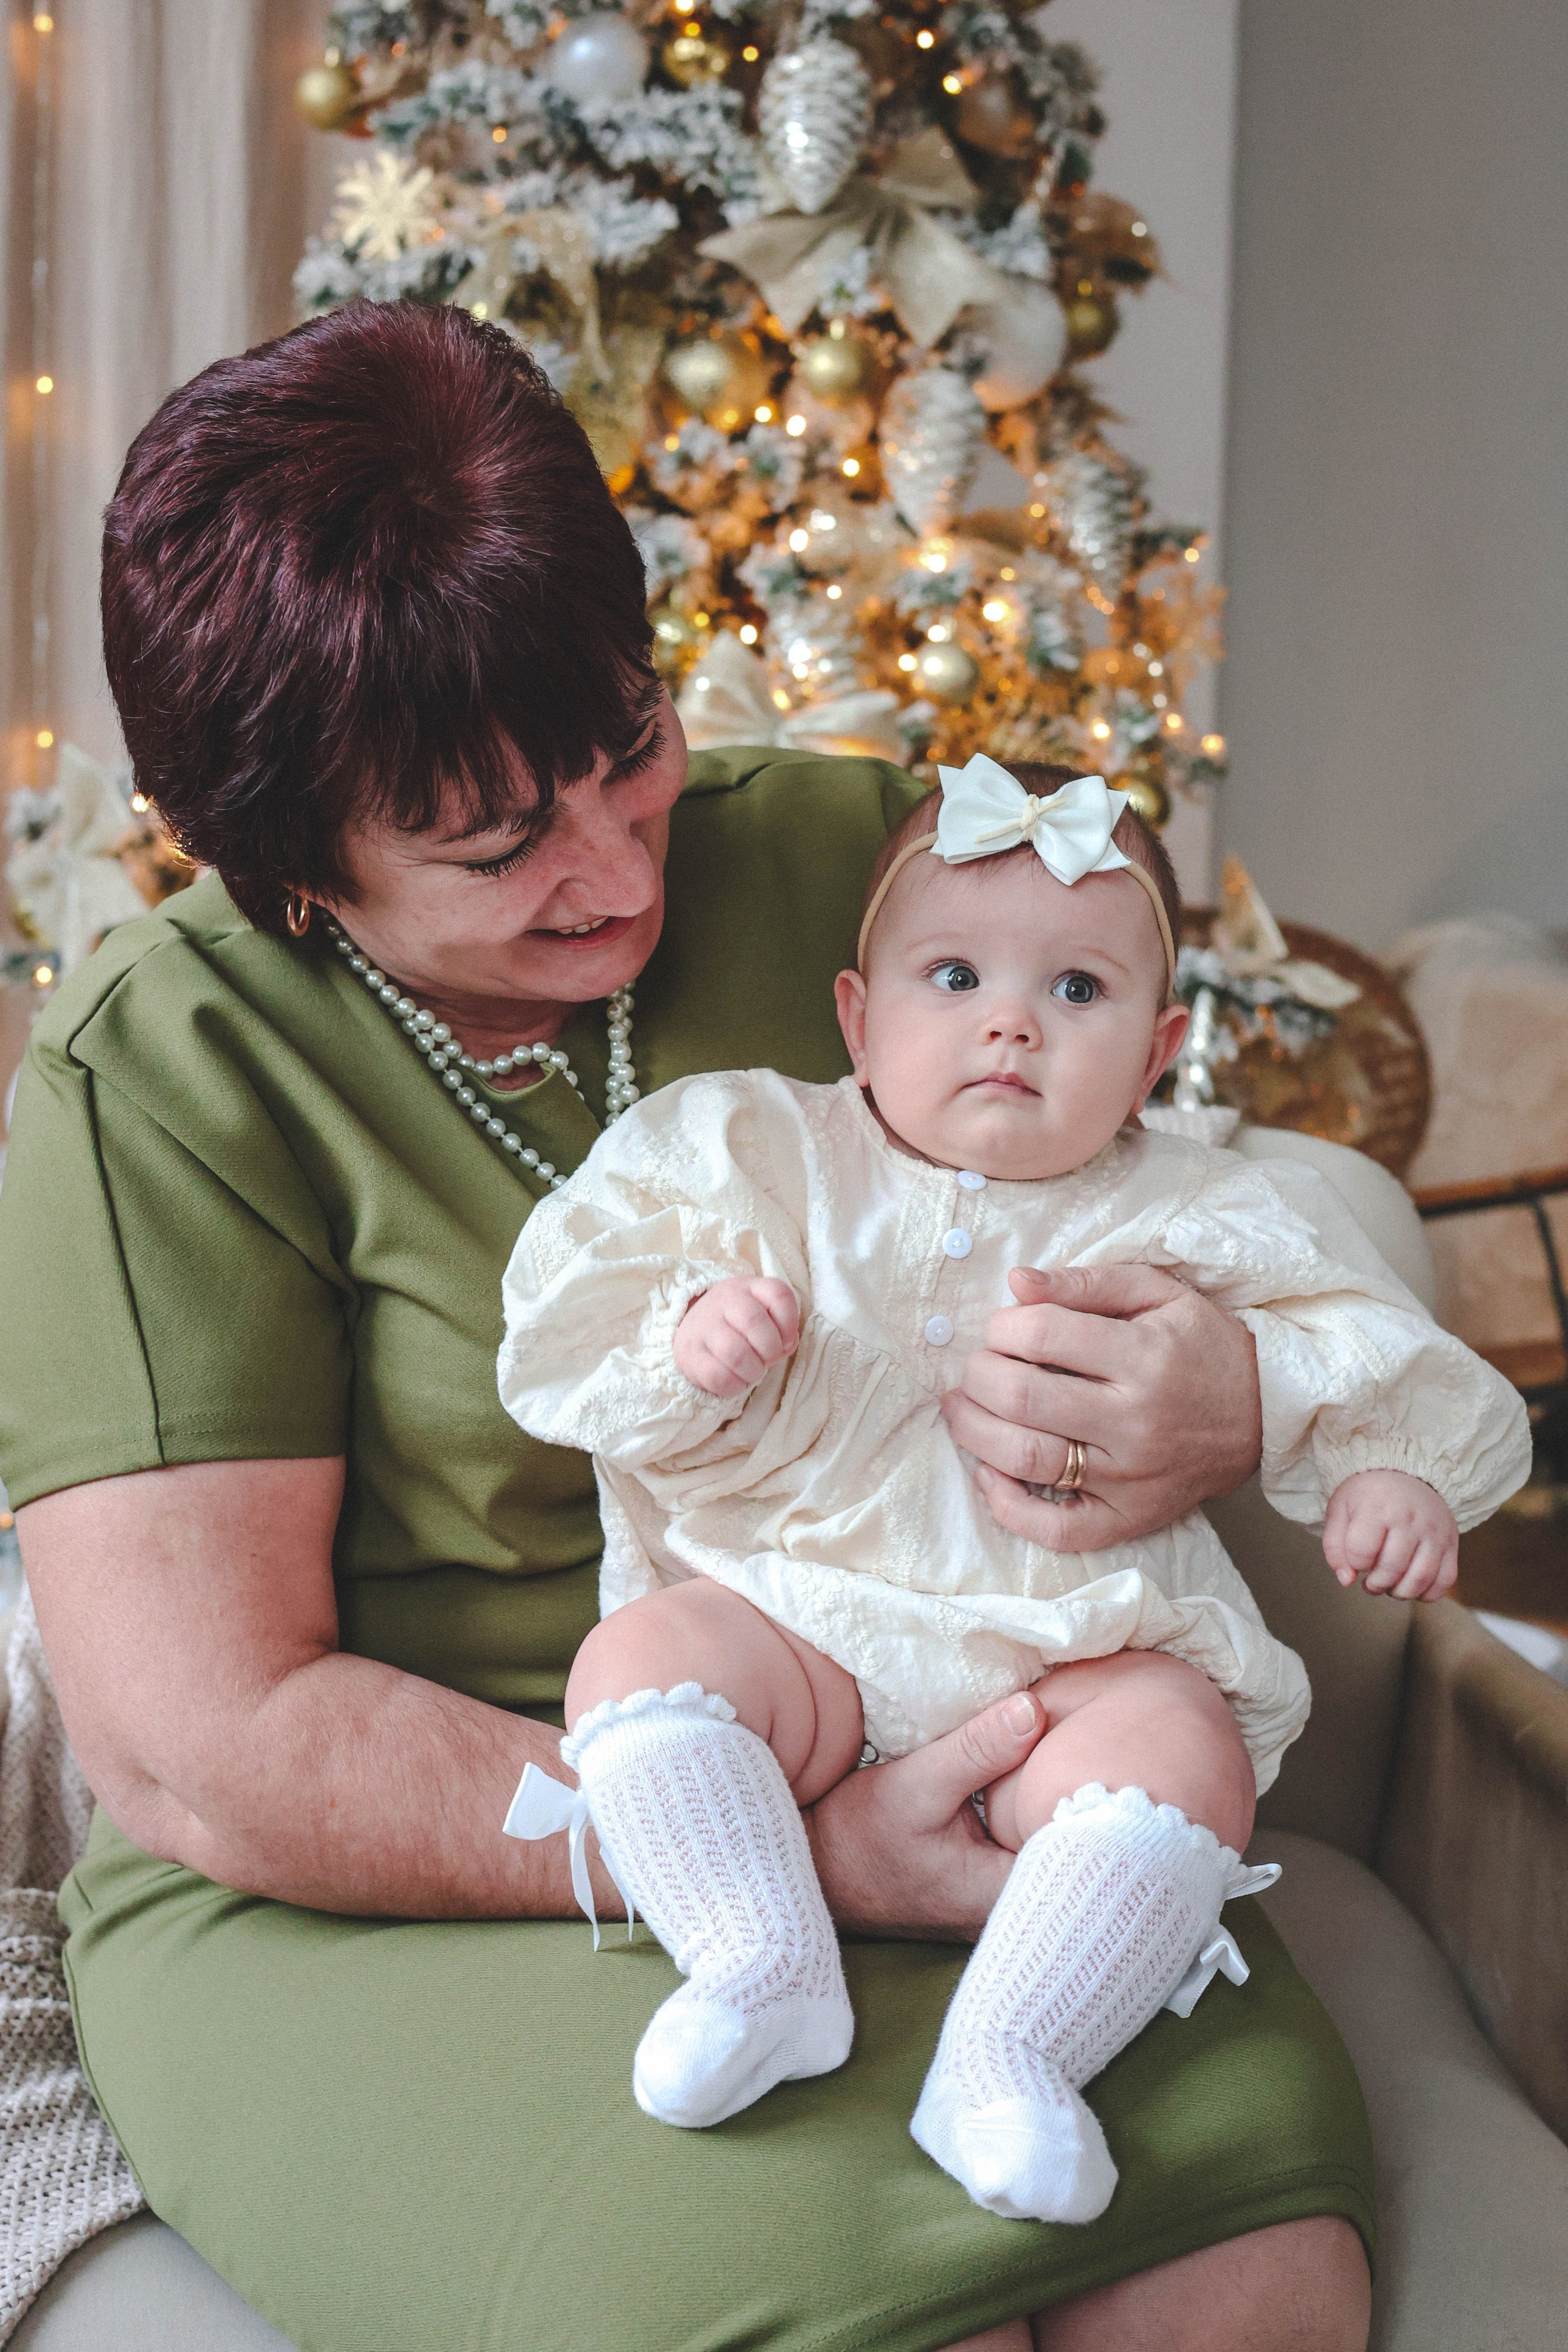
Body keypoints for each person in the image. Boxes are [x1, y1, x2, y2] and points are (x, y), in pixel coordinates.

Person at [0, 301, 1378, 2352]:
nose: (613, 860)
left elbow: (1195, 1205)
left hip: (983, 1768)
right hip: (444, 1876)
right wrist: (777, 1855)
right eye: (496, 845)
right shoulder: (166, 1078)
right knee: (828, 2311)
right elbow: (208, 1753)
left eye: (626, 747)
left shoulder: (873, 871)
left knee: (1253, 2283)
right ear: (298, 877)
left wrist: (1222, 1396)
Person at [496, 758, 1526, 2253]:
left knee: (1177, 1745)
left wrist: (1379, 1465)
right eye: (956, 974)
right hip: (799, 1614)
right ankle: (754, 1963)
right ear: (857, 1016)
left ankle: (1013, 2055)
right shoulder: (757, 1146)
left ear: (1159, 1052)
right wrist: (690, 1332)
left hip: (1070, 1647)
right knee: (640, 1661)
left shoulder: (1185, 1204)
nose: (1008, 1022)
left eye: (1077, 992)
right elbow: (568, 1312)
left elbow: (1341, 1334)